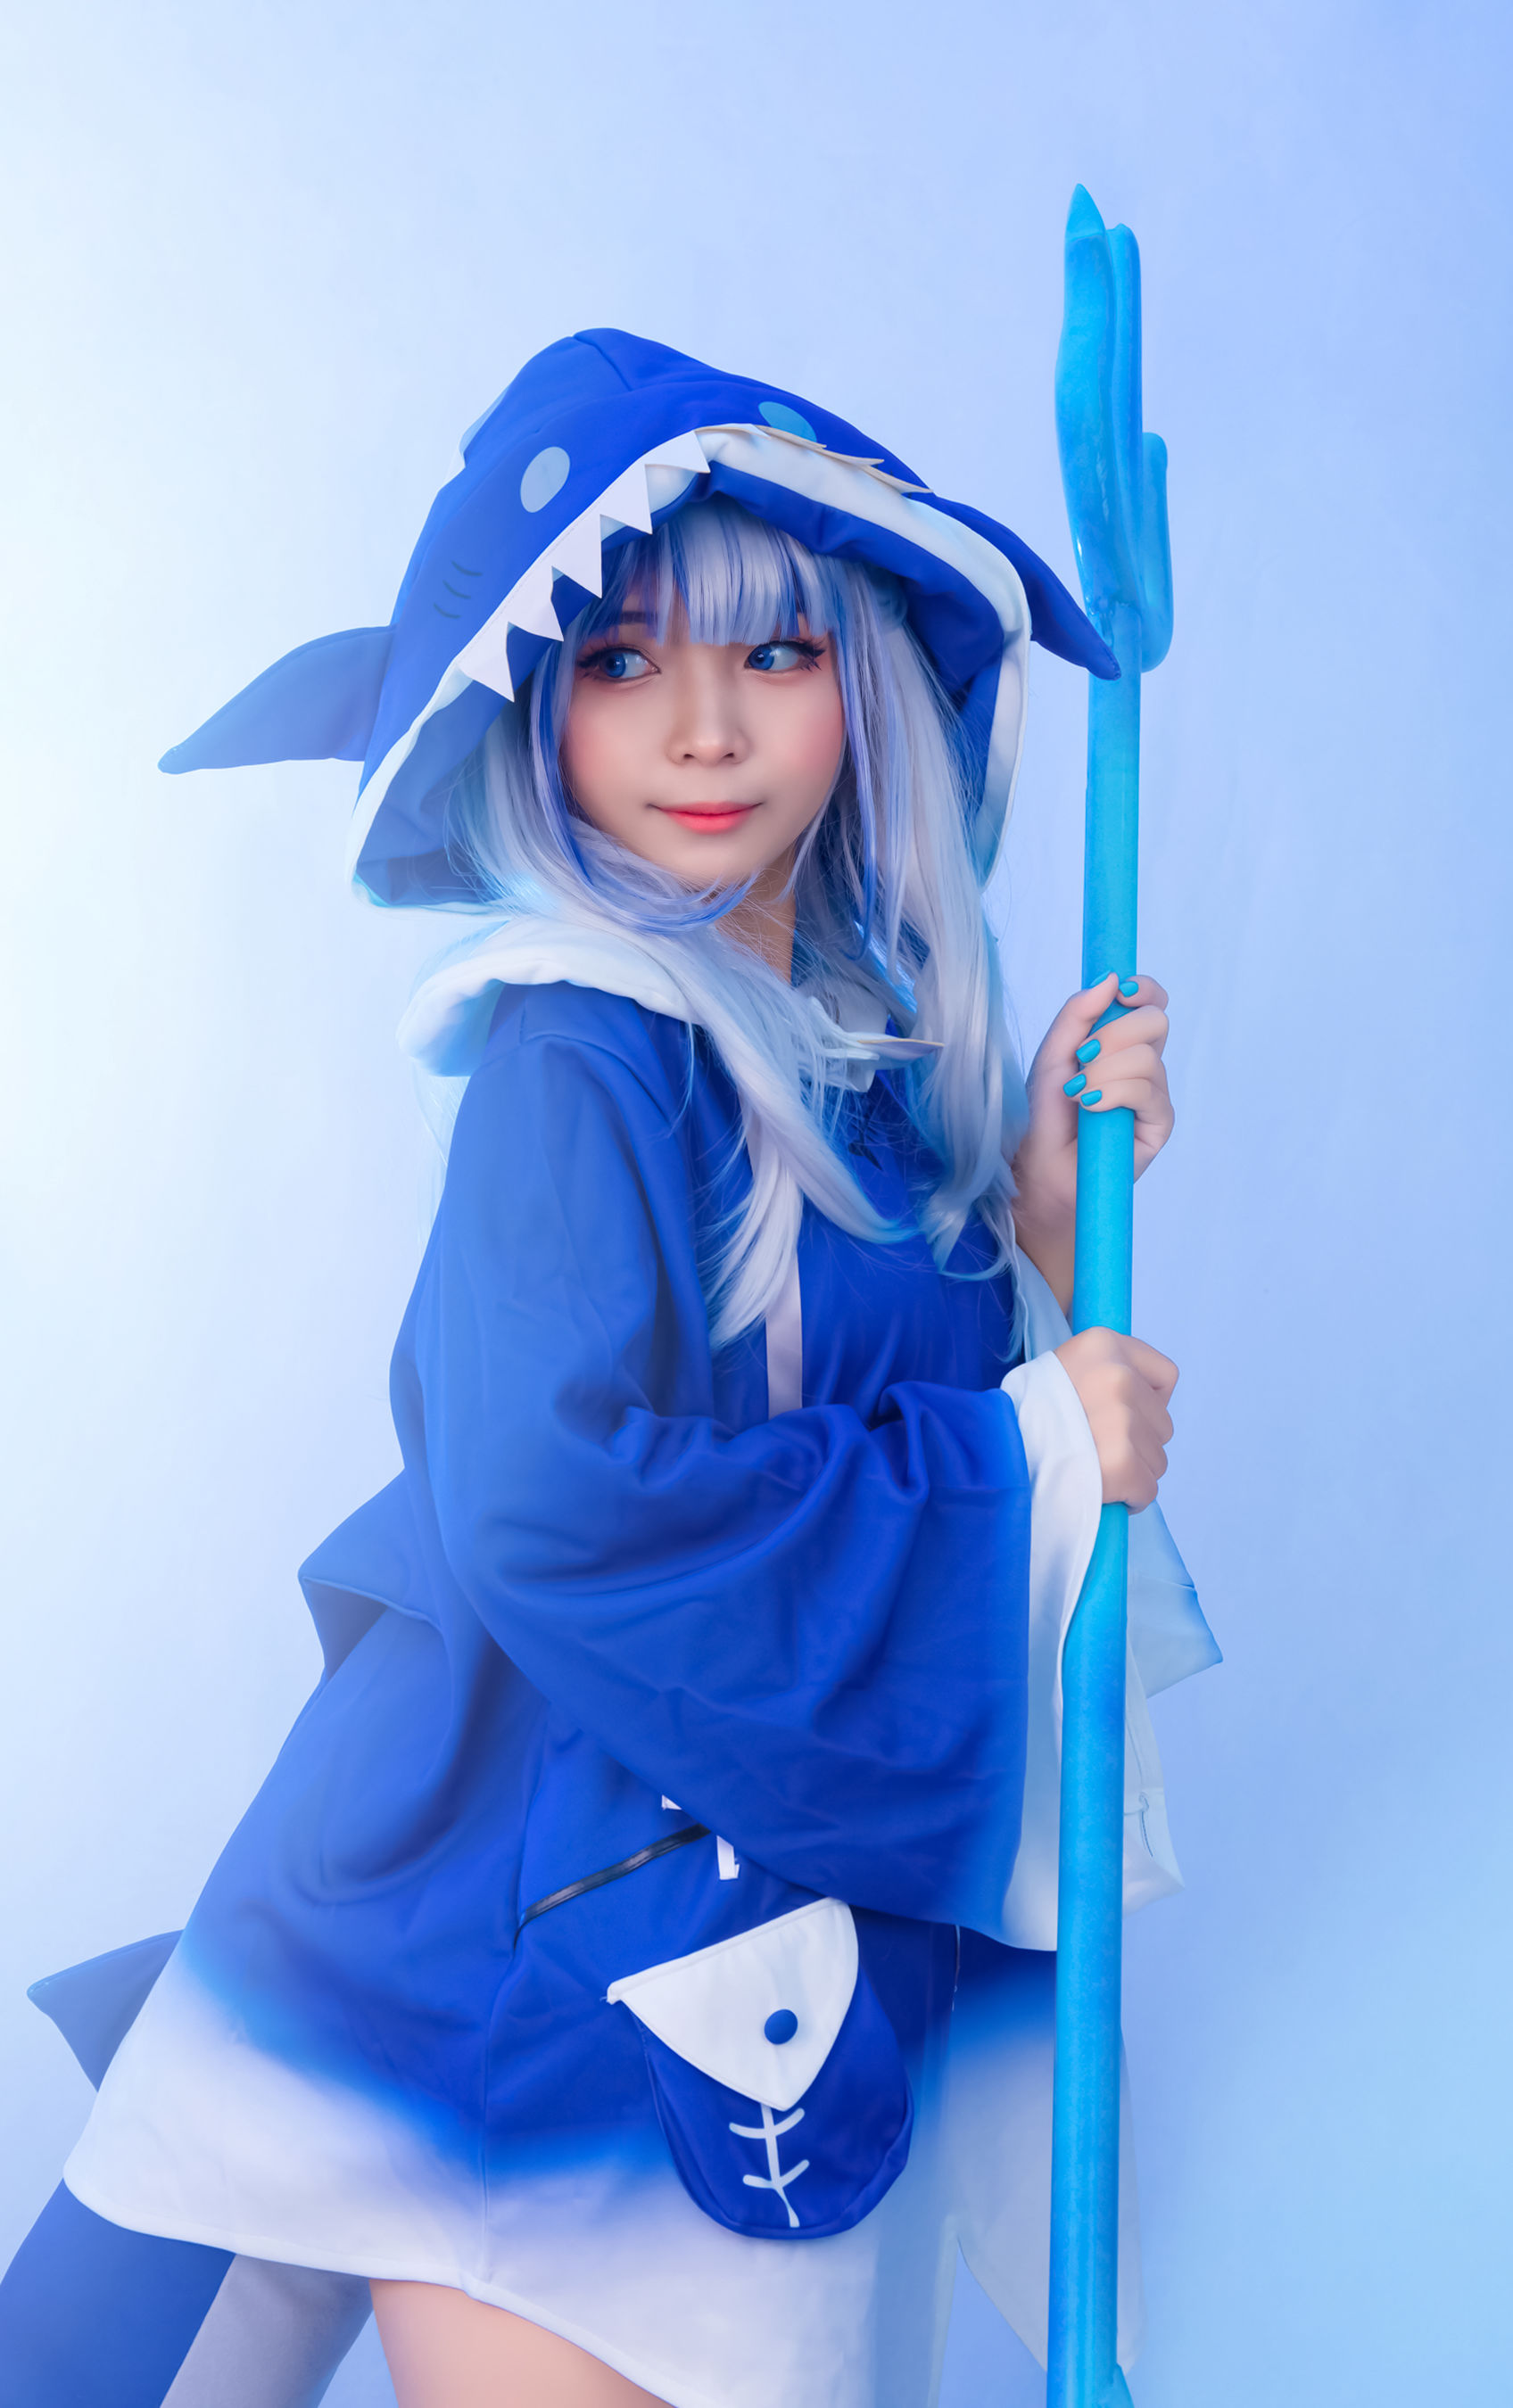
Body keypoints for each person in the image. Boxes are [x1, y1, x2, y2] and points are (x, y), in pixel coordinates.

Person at [0, 329, 1215, 2408]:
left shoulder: (847, 1050)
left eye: (775, 655)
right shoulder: (579, 1046)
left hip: (720, 1917)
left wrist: (1028, 1226)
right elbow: (551, 1499)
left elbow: (866, 1409)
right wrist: (1020, 1466)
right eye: (627, 659)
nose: (706, 730)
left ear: (864, 683)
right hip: (536, 1917)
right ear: (540, 707)